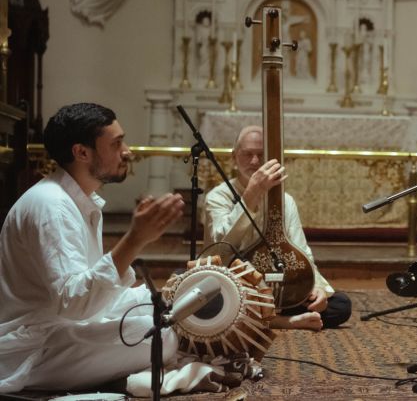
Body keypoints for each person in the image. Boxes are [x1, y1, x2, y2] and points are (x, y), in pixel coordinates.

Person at [0, 103, 186, 392]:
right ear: (82, 152)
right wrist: (134, 240)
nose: (127, 152)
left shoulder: (74, 200)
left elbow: (94, 301)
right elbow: (75, 304)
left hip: (60, 329)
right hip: (33, 349)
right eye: (116, 143)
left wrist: (169, 293)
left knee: (164, 311)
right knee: (161, 336)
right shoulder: (52, 207)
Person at [204, 125, 352, 331]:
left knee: (341, 305)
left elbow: (301, 250)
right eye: (247, 154)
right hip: (237, 285)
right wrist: (251, 195)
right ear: (234, 157)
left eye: (261, 155)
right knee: (206, 300)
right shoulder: (218, 197)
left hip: (279, 285)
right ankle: (285, 321)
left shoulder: (284, 200)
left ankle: (267, 317)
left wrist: (317, 287)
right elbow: (222, 244)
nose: (254, 161)